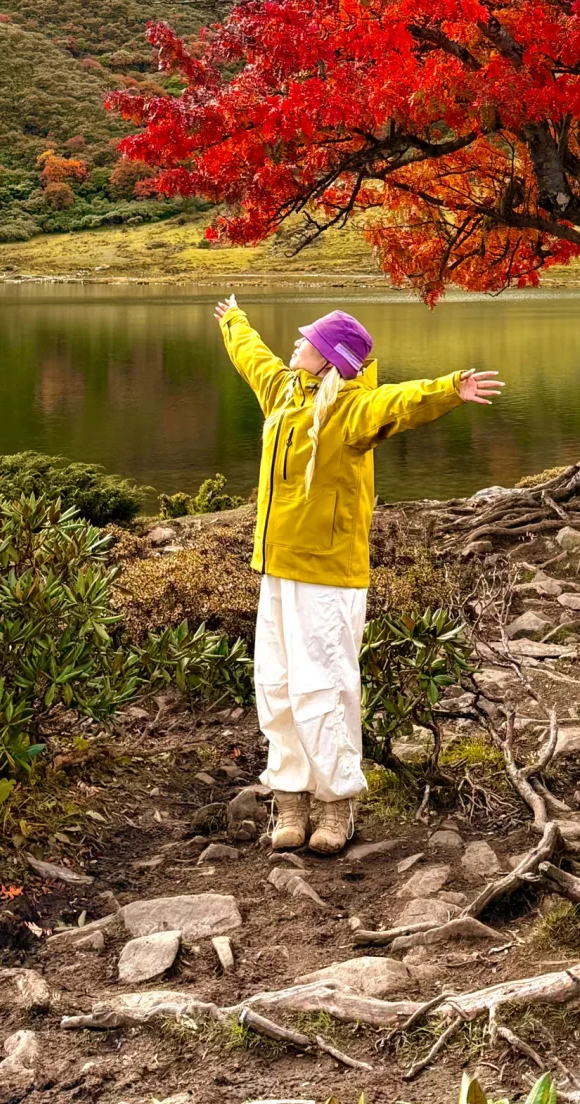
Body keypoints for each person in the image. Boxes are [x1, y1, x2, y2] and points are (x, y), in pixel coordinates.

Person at [213, 295, 504, 856]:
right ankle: (291, 797)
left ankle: (336, 805)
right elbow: (253, 358)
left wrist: (449, 389)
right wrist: (234, 321)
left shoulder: (351, 410)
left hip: (327, 575)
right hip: (276, 569)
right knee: (275, 686)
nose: (294, 345)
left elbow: (396, 403)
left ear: (329, 358)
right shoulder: (283, 392)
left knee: (324, 688)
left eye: (307, 341)